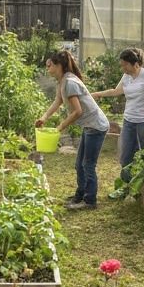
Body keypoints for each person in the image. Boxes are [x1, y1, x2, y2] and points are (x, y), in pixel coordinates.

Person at [37, 50, 109, 209]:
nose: (47, 69)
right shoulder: (62, 80)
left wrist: (60, 127)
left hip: (96, 126)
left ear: (58, 66)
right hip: (89, 126)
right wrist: (44, 117)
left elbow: (78, 111)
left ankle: (90, 201)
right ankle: (80, 194)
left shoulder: (70, 82)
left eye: (49, 66)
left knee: (88, 165)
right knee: (79, 164)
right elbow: (58, 101)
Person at [90, 47, 144, 181]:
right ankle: (128, 184)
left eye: (124, 65)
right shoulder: (126, 76)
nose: (122, 68)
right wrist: (97, 94)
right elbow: (116, 91)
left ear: (136, 64)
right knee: (125, 156)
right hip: (129, 121)